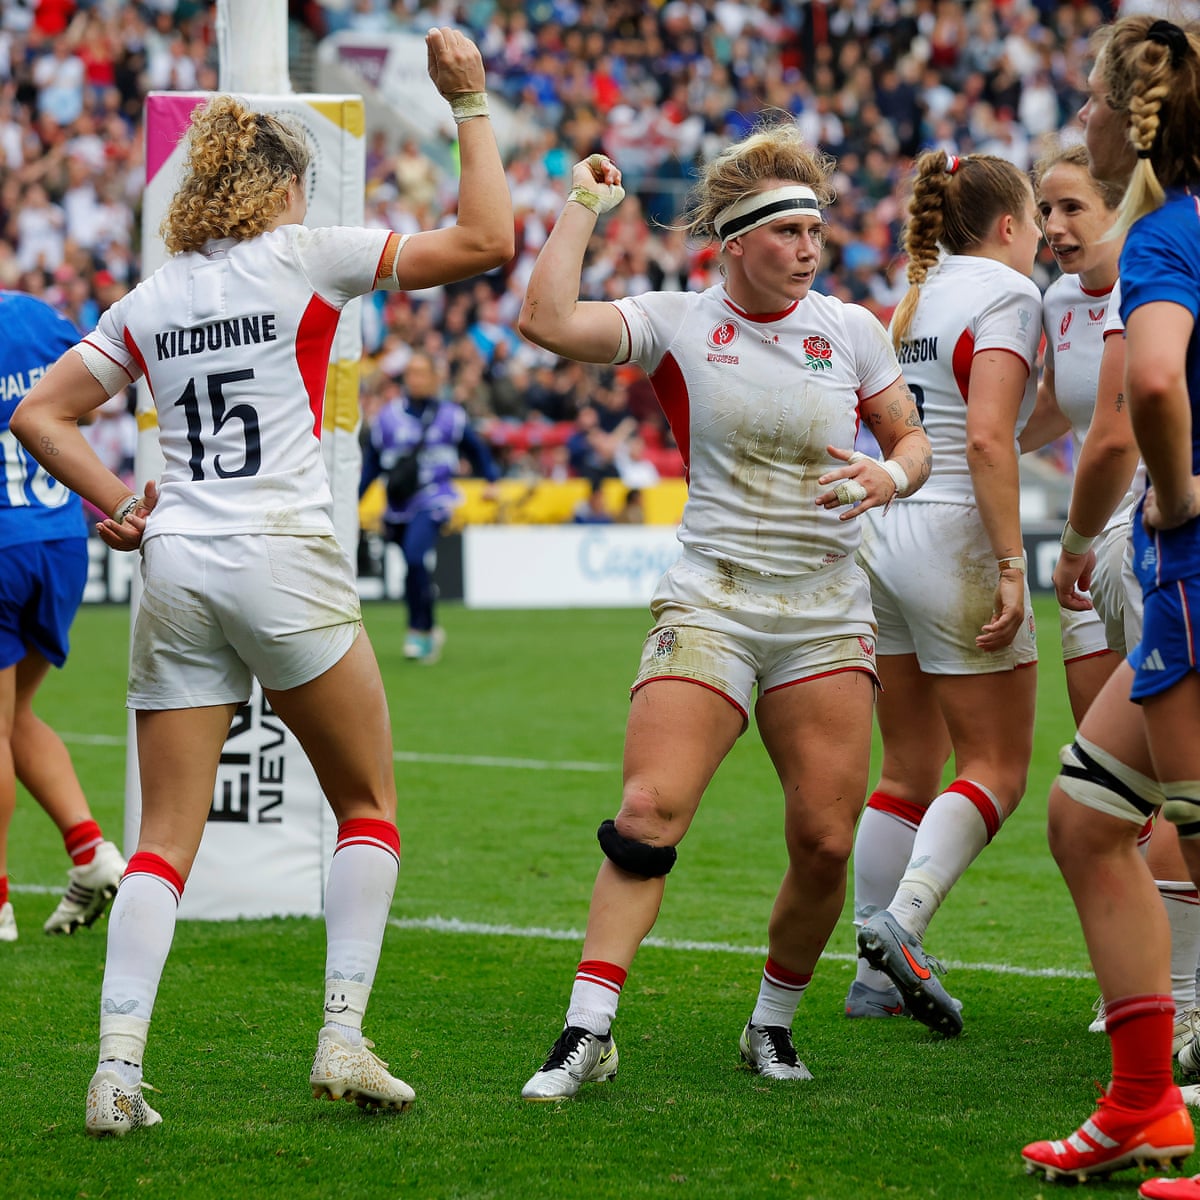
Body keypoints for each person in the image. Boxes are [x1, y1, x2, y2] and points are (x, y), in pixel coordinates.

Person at [12, 26, 513, 1136]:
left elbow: (40, 414)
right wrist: (469, 102)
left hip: (181, 564)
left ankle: (114, 1071)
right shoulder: (305, 257)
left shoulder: (149, 298)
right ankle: (341, 1033)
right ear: (280, 187)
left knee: (163, 843)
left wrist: (119, 502)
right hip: (284, 555)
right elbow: (487, 237)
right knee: (368, 806)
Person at [513, 123, 931, 1100]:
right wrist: (584, 202)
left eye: (814, 231)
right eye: (786, 232)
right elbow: (544, 317)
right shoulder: (675, 321)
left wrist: (889, 475)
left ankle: (771, 1027)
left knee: (827, 843)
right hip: (713, 599)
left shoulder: (853, 330)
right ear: (735, 242)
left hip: (826, 610)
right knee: (649, 810)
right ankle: (588, 1028)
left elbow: (914, 444)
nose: (808, 248)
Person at [1019, 15, 1200, 1191]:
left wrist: (1162, 516)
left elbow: (1146, 387)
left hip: (1192, 566)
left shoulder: (1162, 232)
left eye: (1085, 101)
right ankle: (1145, 1103)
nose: (1076, 115)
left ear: (1124, 120)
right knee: (1089, 822)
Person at [845, 149, 1043, 1036]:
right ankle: (905, 926)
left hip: (884, 535)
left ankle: (869, 973)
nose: (1042, 238)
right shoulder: (1009, 295)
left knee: (908, 767)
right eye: (1037, 220)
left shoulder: (916, 294)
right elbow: (990, 442)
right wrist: (1010, 562)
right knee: (997, 768)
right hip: (956, 532)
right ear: (1008, 225)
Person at [0, 287, 126, 942]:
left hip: (1, 542)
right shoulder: (39, 316)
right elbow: (100, 379)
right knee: (14, 716)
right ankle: (91, 853)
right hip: (61, 540)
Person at [359, 350, 500, 663]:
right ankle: (429, 624)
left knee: (414, 555)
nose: (417, 379)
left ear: (436, 379)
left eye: (423, 373)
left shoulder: (451, 416)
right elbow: (372, 464)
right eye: (412, 373)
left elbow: (476, 450)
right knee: (414, 567)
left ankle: (417, 631)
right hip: (397, 503)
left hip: (435, 496)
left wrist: (491, 480)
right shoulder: (387, 419)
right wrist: (353, 499)